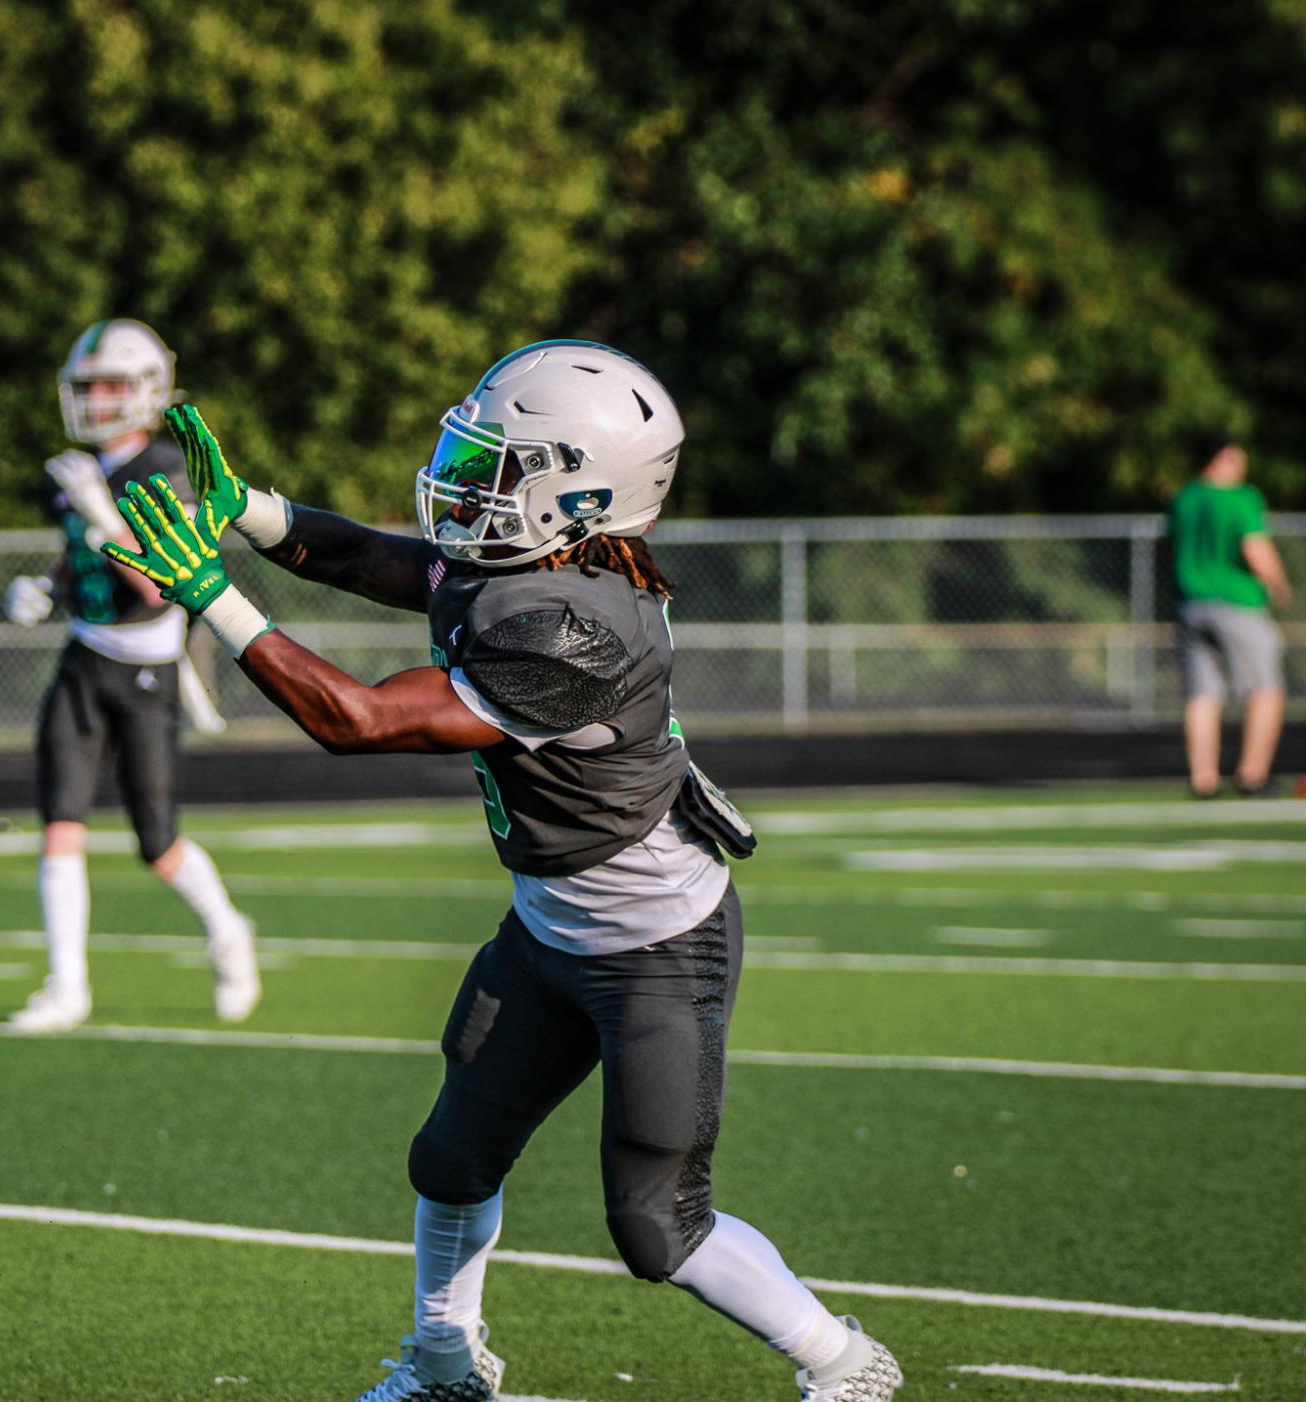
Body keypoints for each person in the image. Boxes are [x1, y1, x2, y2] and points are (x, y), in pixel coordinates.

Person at [103, 342, 901, 1401]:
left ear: (586, 492)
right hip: (548, 928)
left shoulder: (578, 629)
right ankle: (443, 1365)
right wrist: (246, 510)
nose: (471, 484)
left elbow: (363, 720)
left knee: (656, 1222)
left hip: (654, 948)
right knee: (451, 1158)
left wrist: (214, 595)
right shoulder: (538, 567)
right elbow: (378, 561)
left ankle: (846, 1362)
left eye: (505, 465)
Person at [0, 318, 259, 1033]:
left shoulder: (162, 470)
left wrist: (102, 518)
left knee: (157, 843)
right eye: (88, 385)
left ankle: (227, 931)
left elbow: (158, 585)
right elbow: (76, 559)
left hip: (144, 668)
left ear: (146, 390)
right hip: (84, 657)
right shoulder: (84, 470)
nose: (97, 397)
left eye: (112, 384)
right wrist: (45, 590)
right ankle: (67, 986)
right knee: (60, 824)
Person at [1170, 436, 1292, 798]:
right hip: (1236, 602)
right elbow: (1254, 545)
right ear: (1221, 459)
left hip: (1190, 604)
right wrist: (1278, 583)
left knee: (1203, 695)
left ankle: (1203, 780)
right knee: (1266, 689)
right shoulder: (1240, 497)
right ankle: (1252, 774)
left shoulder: (1185, 498)